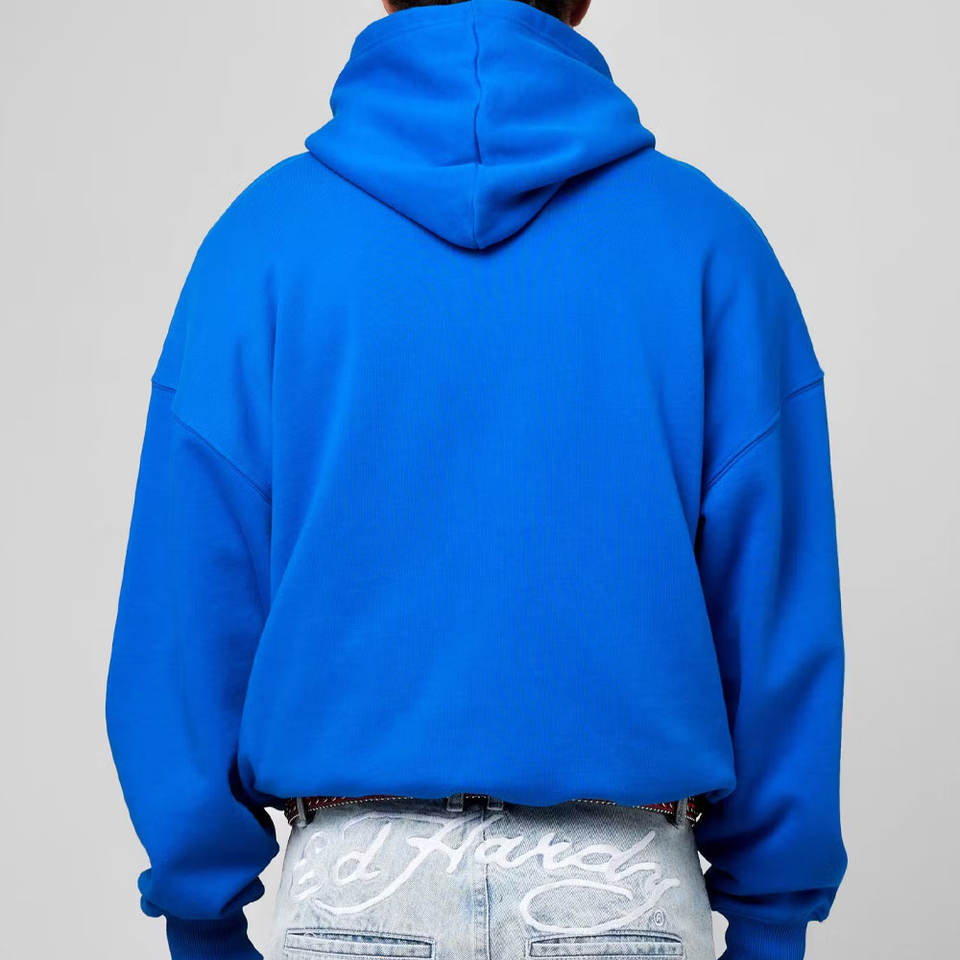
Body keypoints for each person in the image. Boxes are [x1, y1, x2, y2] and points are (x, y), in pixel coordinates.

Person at [105, 1, 847, 958]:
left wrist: (202, 916)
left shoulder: (261, 249)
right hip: (621, 895)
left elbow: (186, 620)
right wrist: (772, 920)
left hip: (354, 893)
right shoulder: (709, 246)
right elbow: (776, 626)